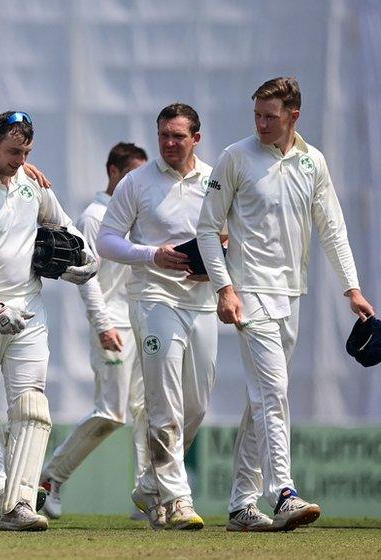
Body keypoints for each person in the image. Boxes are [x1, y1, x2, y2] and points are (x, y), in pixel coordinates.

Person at [197, 77, 374, 532]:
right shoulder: (236, 156)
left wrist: (351, 288)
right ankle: (284, 494)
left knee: (262, 398)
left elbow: (332, 228)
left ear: (294, 115)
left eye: (269, 116)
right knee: (273, 392)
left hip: (291, 294)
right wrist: (224, 288)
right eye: (256, 114)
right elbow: (207, 228)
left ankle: (240, 504)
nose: (260, 124)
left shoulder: (312, 161)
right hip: (249, 292)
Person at [0, 110, 97, 530]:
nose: (20, 159)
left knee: (31, 405)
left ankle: (18, 504)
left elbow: (71, 235)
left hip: (30, 312)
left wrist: (79, 265)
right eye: (13, 151)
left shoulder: (33, 185)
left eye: (26, 152)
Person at [97, 103, 216, 531]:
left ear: (196, 139)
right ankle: (179, 499)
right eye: (163, 134)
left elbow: (230, 236)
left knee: (197, 405)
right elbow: (106, 240)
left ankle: (151, 485)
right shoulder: (137, 182)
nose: (169, 143)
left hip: (200, 300)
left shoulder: (214, 180)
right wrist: (152, 255)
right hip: (153, 299)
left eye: (178, 136)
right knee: (163, 402)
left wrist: (219, 265)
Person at [41, 143, 150, 519]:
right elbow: (87, 277)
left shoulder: (131, 216)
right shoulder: (95, 216)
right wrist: (102, 325)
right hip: (111, 325)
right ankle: (51, 477)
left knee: (146, 410)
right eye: (132, 176)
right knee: (112, 412)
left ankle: (149, 494)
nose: (138, 184)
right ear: (114, 172)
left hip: (136, 321)